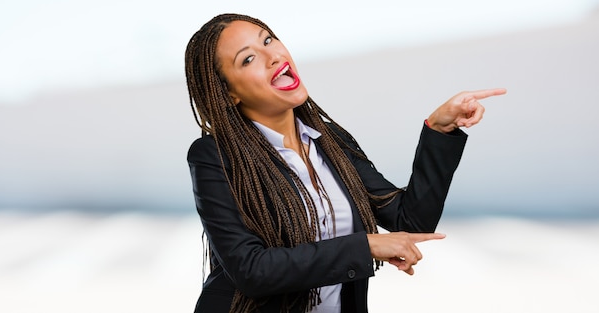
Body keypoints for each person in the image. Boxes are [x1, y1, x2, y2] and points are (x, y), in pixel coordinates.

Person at [185, 13, 506, 313]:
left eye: (268, 40)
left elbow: (410, 222)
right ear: (229, 93)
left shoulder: (330, 141)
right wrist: (364, 246)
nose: (272, 56)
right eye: (249, 58)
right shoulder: (213, 157)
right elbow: (251, 269)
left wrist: (440, 130)